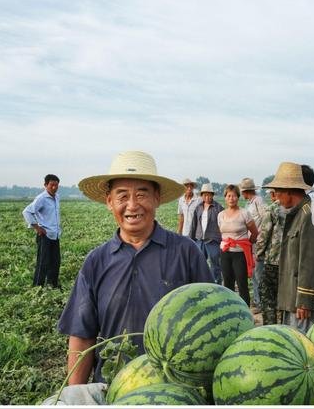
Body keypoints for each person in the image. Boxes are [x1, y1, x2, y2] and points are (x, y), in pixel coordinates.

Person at [57, 151, 213, 385]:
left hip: (174, 390)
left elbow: (210, 321)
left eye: (142, 194)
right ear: (109, 201)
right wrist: (74, 394)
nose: (132, 205)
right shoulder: (96, 261)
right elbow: (82, 335)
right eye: (122, 196)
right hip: (113, 387)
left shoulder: (186, 252)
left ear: (157, 198)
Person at [264, 162, 314, 333]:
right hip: (292, 297)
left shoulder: (308, 215)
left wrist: (305, 299)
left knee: (302, 345)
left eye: (278, 190)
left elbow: (311, 261)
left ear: (289, 190)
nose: (276, 195)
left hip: (301, 303)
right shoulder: (297, 213)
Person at [22, 174, 62, 288]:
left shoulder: (57, 197)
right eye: (51, 185)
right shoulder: (42, 198)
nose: (54, 187)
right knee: (43, 263)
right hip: (45, 235)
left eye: (56, 185)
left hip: (55, 234)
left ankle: (52, 285)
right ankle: (37, 287)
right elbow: (27, 212)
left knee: (55, 262)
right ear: (45, 185)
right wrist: (37, 227)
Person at [255, 187, 284, 325]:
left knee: (267, 296)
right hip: (292, 262)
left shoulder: (273, 209)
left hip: (274, 260)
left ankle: (270, 327)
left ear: (274, 194)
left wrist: (259, 253)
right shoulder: (301, 208)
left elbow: (264, 234)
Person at [239, 177, 266, 312]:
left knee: (258, 273)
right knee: (254, 272)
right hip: (251, 243)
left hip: (259, 243)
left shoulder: (258, 201)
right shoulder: (249, 203)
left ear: (246, 191)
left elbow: (265, 220)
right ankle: (257, 300)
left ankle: (259, 302)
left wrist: (258, 235)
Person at [189, 182, 224, 284]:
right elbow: (194, 225)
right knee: (199, 264)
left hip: (213, 240)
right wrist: (191, 240)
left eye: (209, 194)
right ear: (202, 196)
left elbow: (222, 225)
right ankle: (201, 285)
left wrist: (222, 240)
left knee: (215, 265)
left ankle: (217, 285)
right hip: (200, 240)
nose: (207, 197)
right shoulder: (198, 207)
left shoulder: (218, 208)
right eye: (205, 195)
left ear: (212, 195)